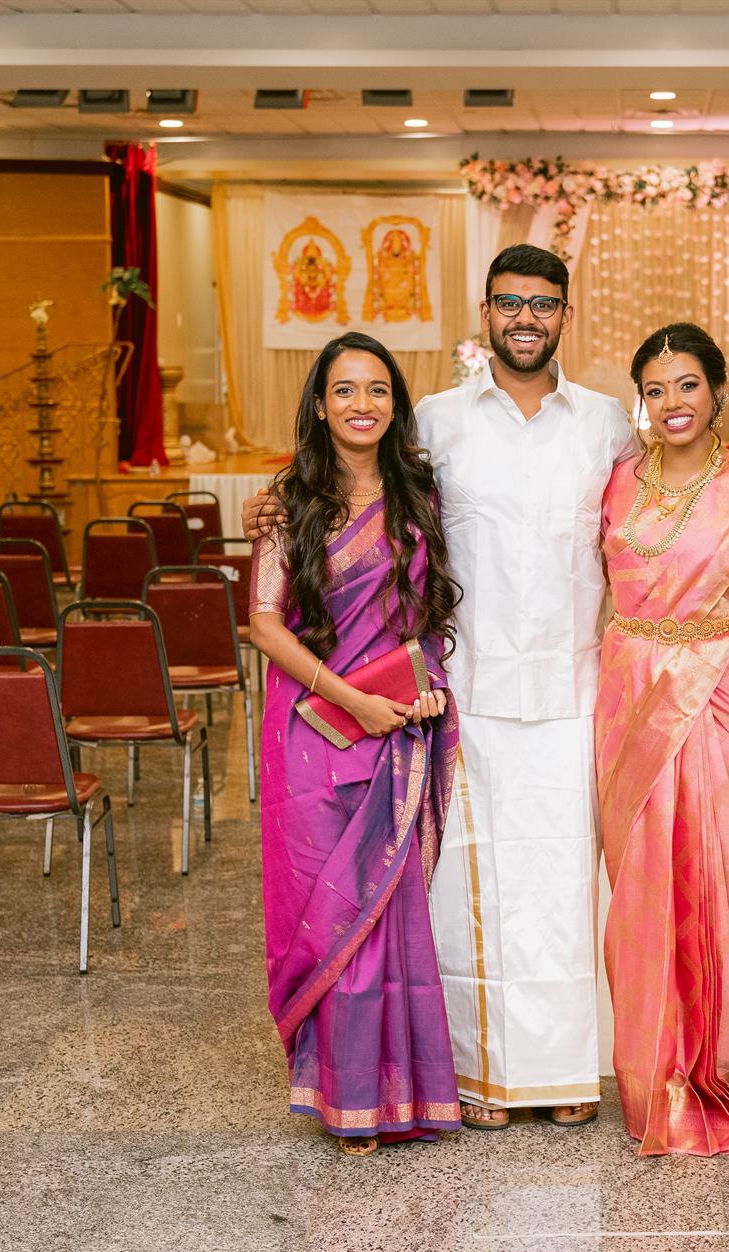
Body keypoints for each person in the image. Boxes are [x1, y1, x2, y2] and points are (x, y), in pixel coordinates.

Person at [247, 244, 636, 1130]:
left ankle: (563, 1074)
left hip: (573, 690)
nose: (526, 318)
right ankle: (482, 1075)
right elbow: (356, 488)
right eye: (510, 302)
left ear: (565, 314)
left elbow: (653, 515)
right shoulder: (439, 422)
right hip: (462, 692)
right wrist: (269, 507)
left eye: (543, 303)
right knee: (467, 887)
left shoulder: (606, 423)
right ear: (486, 313)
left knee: (566, 883)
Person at [248, 332, 461, 1157]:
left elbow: (425, 617)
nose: (361, 404)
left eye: (377, 389)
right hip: (311, 730)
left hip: (396, 727)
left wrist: (421, 686)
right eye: (344, 390)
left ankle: (400, 1091)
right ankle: (347, 1101)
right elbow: (264, 623)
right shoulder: (291, 501)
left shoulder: (418, 494)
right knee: (333, 910)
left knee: (389, 914)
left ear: (395, 404)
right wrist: (351, 701)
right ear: (320, 404)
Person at [596, 323, 729, 1156]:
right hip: (629, 698)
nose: (672, 402)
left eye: (688, 384)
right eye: (656, 388)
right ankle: (654, 1076)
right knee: (642, 887)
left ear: (718, 391)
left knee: (728, 888)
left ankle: (725, 1075)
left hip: (725, 691)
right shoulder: (615, 482)